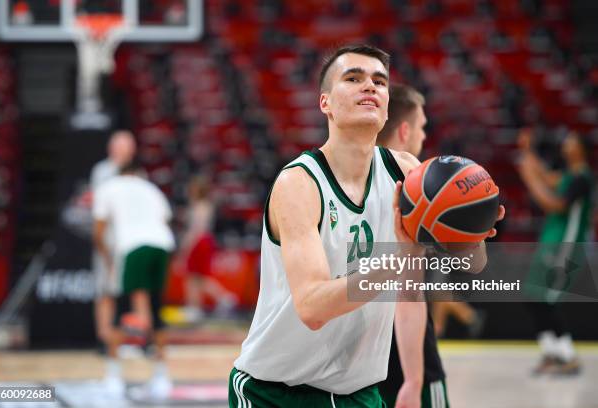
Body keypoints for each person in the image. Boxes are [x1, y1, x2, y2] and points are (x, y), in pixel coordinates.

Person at [229, 45, 502, 407]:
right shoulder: (299, 184)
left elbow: (472, 264)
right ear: (325, 102)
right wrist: (399, 261)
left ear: (387, 104)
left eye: (379, 81)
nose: (369, 86)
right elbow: (312, 308)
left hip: (359, 393)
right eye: (353, 78)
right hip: (276, 393)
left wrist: (472, 230)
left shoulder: (407, 173)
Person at [375, 84, 448, 407]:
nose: (423, 136)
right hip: (408, 354)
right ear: (405, 131)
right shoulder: (422, 192)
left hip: (357, 363)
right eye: (421, 127)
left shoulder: (343, 183)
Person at [93, 158, 175, 398]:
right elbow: (164, 220)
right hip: (162, 245)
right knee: (156, 309)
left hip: (132, 248)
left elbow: (98, 231)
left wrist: (108, 259)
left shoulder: (108, 187)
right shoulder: (151, 188)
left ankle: (113, 376)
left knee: (123, 310)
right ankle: (161, 377)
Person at [517, 128, 593, 375]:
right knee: (533, 297)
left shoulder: (583, 178)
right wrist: (527, 151)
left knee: (547, 299)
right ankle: (552, 353)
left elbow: (555, 205)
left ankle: (568, 356)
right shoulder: (569, 176)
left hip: (566, 247)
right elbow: (547, 176)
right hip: (552, 242)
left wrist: (529, 178)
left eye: (572, 140)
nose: (565, 143)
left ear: (582, 149)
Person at [90, 130, 136, 348]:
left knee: (132, 291)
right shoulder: (102, 171)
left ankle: (129, 339)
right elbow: (100, 208)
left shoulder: (136, 173)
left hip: (131, 240)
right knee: (104, 290)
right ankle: (104, 339)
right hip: (109, 239)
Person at [177, 175, 237, 322]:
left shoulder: (198, 207)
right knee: (199, 277)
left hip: (199, 241)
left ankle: (194, 308)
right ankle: (222, 298)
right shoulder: (206, 205)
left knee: (192, 277)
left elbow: (195, 230)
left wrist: (185, 250)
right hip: (206, 241)